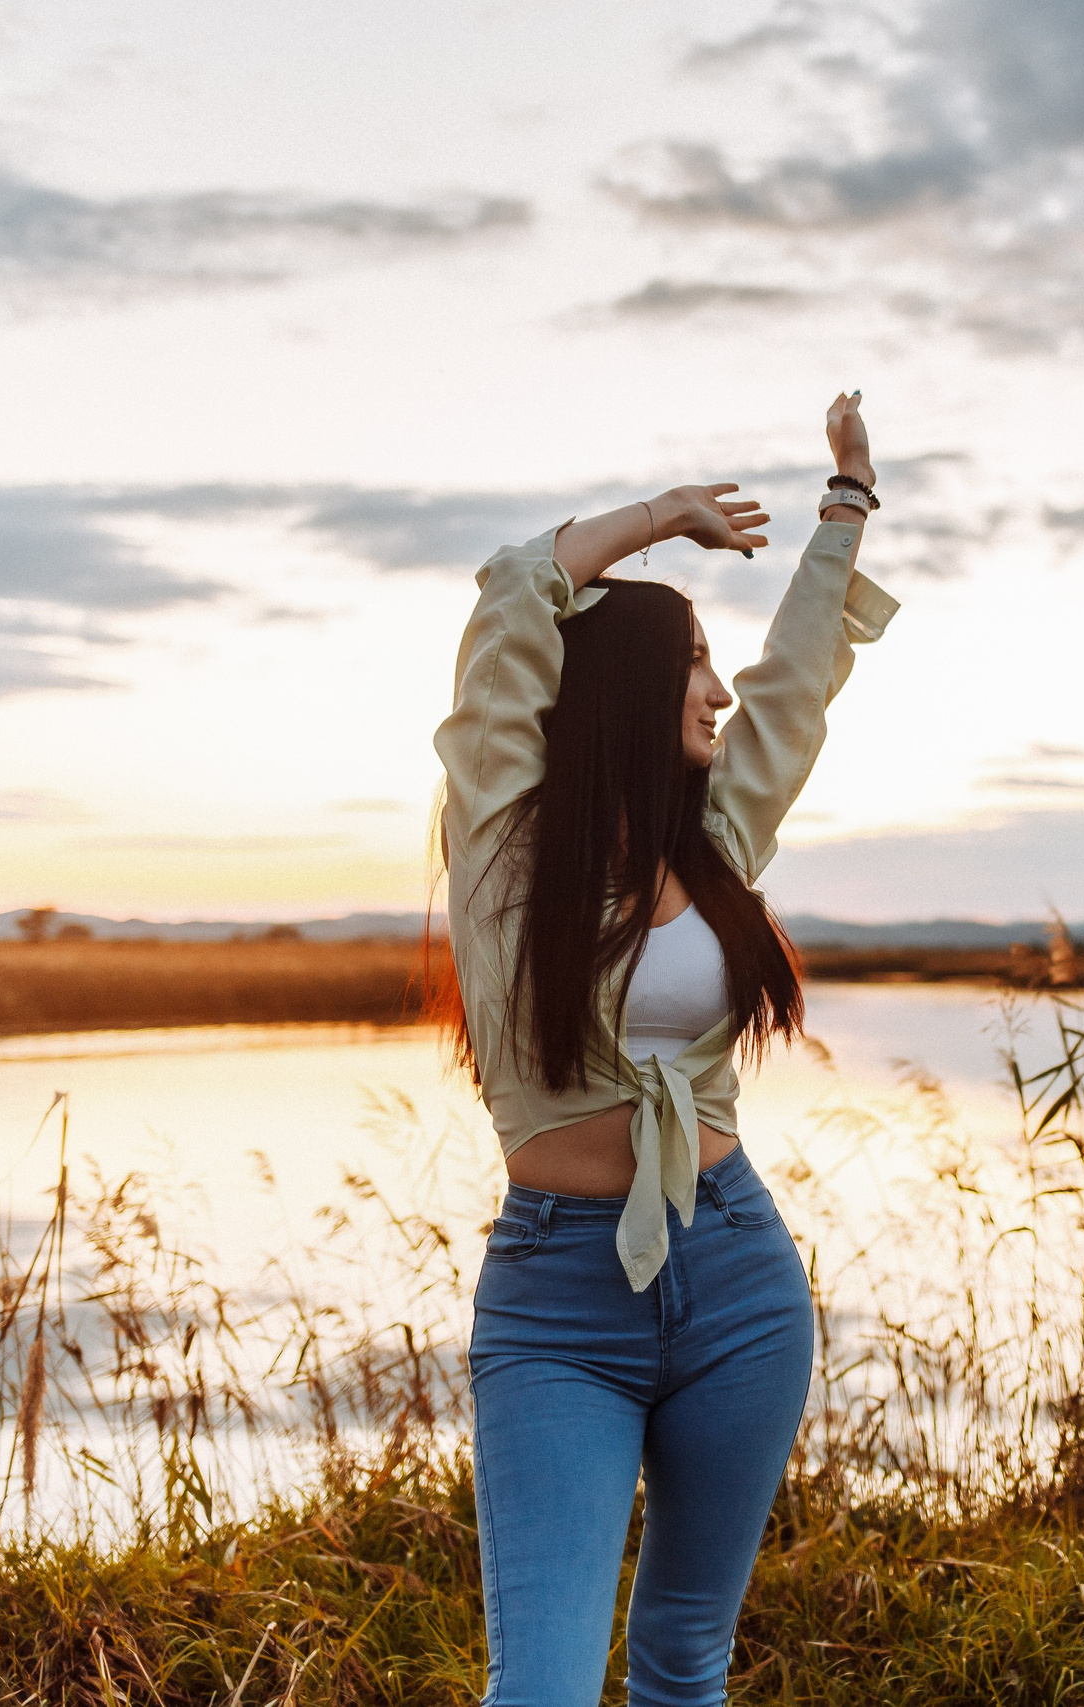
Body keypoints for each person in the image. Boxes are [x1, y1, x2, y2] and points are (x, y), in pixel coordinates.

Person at [433, 393, 895, 1705]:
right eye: (694, 664)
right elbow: (515, 597)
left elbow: (794, 688)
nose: (718, 692)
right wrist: (658, 519)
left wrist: (847, 505)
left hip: (737, 1275)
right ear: (627, 688)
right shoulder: (503, 839)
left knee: (686, 1659)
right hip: (558, 1305)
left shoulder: (718, 840)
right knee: (543, 1687)